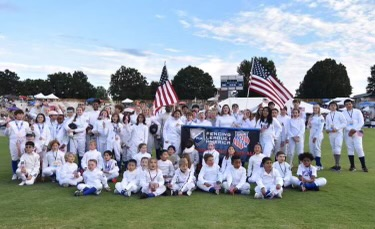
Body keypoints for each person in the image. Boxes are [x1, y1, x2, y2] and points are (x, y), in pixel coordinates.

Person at [342, 99, 368, 172]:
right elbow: (344, 123)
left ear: (352, 104)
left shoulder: (358, 111)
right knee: (350, 148)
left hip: (358, 131)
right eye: (346, 104)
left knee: (359, 148)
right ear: (345, 106)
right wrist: (349, 130)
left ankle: (363, 166)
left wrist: (354, 129)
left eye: (349, 104)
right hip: (347, 132)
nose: (348, 105)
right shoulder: (343, 113)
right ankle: (352, 166)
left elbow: (361, 122)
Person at [4, 109, 30, 180]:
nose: (21, 116)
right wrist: (7, 128)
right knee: (14, 157)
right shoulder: (11, 123)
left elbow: (28, 133)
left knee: (23, 157)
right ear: (15, 115)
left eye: (22, 114)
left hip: (23, 142)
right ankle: (15, 173)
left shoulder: (26, 123)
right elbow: (6, 134)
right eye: (19, 114)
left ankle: (22, 172)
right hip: (13, 142)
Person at [325, 101, 347, 171]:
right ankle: (335, 164)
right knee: (333, 148)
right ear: (329, 107)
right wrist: (327, 129)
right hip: (331, 134)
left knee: (338, 147)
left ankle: (338, 165)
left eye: (334, 105)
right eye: (331, 105)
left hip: (338, 133)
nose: (333, 107)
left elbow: (344, 123)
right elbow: (327, 125)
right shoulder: (328, 115)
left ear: (336, 107)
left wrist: (337, 128)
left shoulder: (340, 114)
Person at [307, 104, 325, 170]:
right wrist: (309, 125)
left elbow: (320, 128)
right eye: (314, 108)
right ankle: (319, 165)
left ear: (319, 109)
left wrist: (316, 136)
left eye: (316, 108)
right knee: (312, 149)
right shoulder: (311, 116)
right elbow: (308, 126)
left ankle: (318, 165)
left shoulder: (321, 117)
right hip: (311, 134)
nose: (315, 109)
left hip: (318, 135)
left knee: (317, 148)